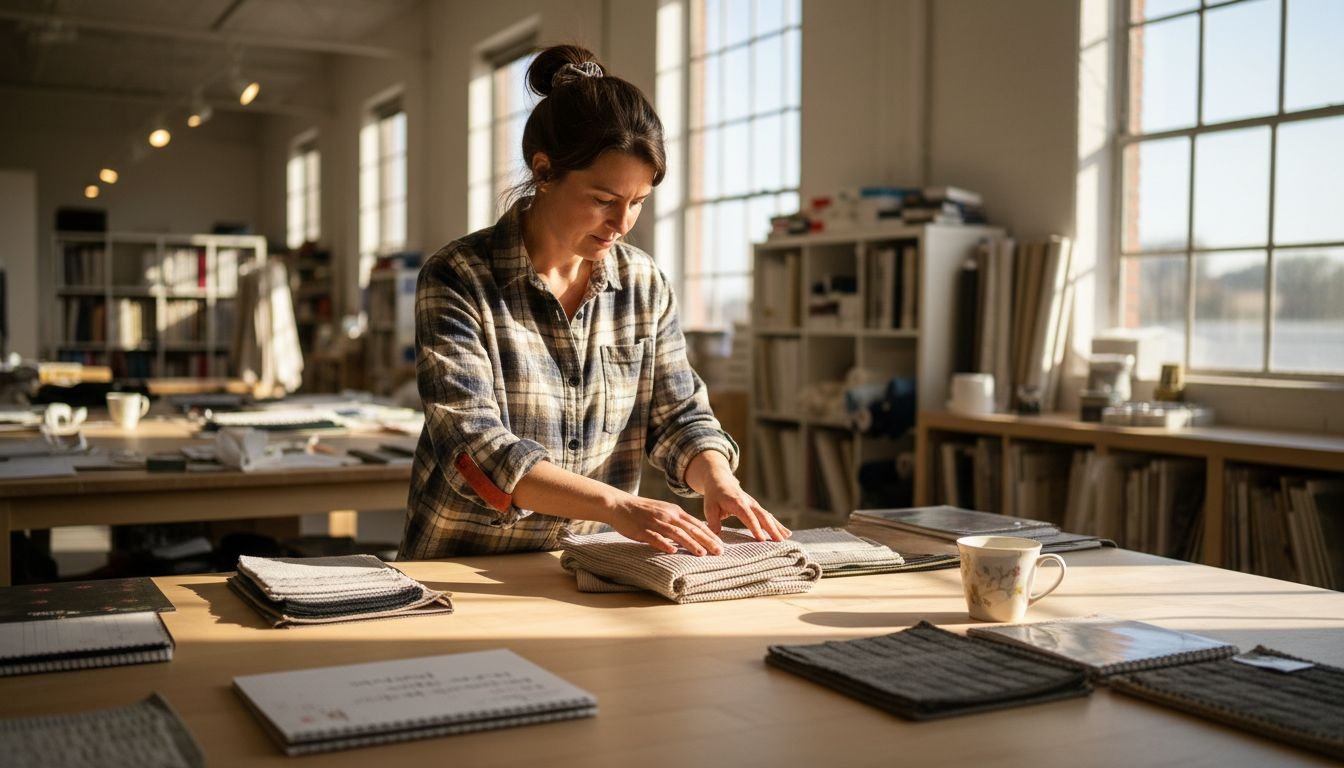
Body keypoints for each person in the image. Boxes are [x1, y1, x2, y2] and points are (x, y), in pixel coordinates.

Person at [399, 44, 790, 560]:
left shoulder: (643, 284)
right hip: (461, 565)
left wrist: (718, 478)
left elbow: (679, 416)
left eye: (638, 202)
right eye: (604, 200)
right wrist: (616, 506)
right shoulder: (458, 277)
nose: (622, 223)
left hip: (586, 568)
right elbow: (473, 446)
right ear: (543, 172)